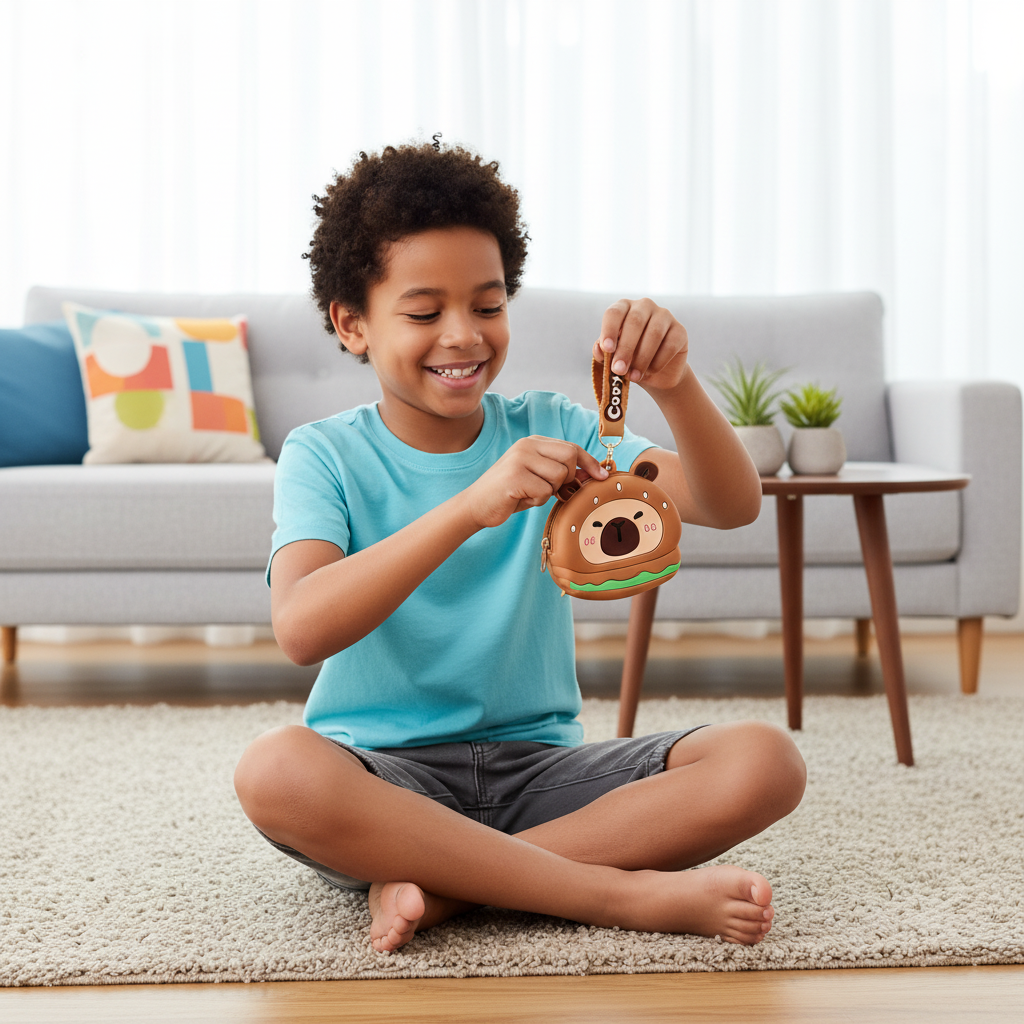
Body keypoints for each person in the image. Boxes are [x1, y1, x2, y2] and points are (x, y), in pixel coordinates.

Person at [233, 140, 806, 954]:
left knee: (764, 761)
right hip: (383, 783)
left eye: (489, 305)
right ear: (352, 324)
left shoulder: (562, 428)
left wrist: (675, 383)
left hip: (542, 775)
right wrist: (470, 506)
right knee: (275, 770)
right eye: (425, 312)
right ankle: (611, 893)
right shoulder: (322, 454)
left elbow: (730, 503)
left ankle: (448, 892)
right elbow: (300, 627)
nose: (463, 337)